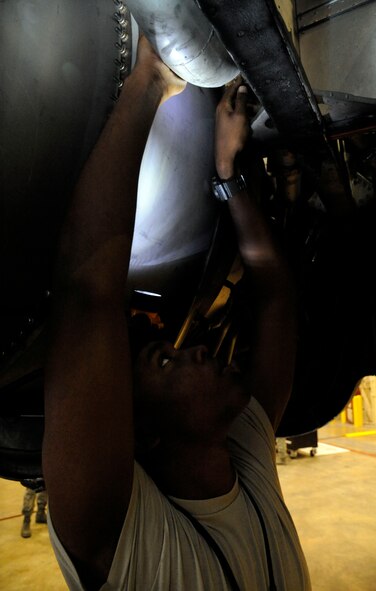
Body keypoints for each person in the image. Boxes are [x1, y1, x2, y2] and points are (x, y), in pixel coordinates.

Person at [43, 36, 311, 590]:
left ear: (149, 435)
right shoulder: (248, 454)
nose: (198, 348)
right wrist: (226, 176)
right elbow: (279, 297)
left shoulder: (121, 539)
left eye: (165, 361)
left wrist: (150, 80)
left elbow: (87, 295)